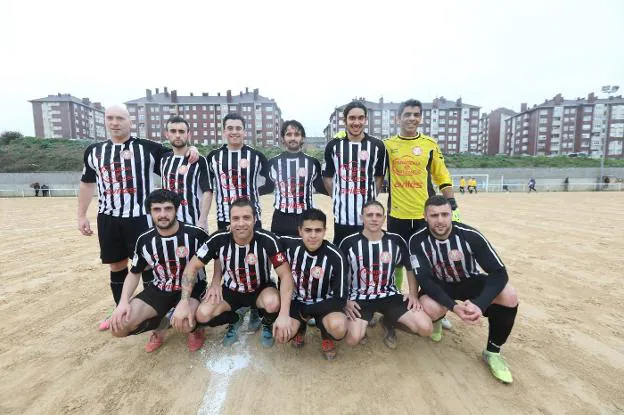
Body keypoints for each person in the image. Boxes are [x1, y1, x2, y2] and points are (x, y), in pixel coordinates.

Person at [77, 105, 199, 331]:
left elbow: (177, 152)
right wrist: (81, 215)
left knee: (148, 265)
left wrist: (193, 148)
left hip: (140, 218)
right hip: (108, 217)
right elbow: (87, 183)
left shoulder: (147, 148)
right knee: (116, 265)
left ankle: (155, 313)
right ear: (105, 121)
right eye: (110, 118)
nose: (115, 122)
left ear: (130, 122)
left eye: (120, 118)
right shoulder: (94, 151)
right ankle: (119, 310)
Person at [409, 196, 519, 383]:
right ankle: (438, 319)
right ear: (425, 217)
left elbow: (499, 272)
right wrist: (454, 307)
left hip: (469, 280)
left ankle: (492, 352)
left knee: (509, 295)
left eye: (445, 214)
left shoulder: (470, 235)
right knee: (428, 308)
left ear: (452, 214)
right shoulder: (416, 240)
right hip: (440, 283)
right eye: (434, 215)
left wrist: (479, 304)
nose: (440, 220)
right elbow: (425, 281)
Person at [383, 99, 458, 330]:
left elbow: (441, 175)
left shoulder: (429, 144)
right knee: (396, 263)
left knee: (430, 263)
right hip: (397, 214)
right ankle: (393, 303)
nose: (412, 118)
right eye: (407, 114)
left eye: (416, 114)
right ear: (398, 118)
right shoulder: (387, 145)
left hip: (425, 215)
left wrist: (452, 201)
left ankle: (435, 309)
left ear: (421, 118)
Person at [180, 199, 294, 348]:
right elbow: (191, 267)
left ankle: (265, 321)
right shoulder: (218, 239)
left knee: (273, 303)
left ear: (255, 219)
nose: (241, 223)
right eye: (236, 218)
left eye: (246, 217)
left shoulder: (268, 240)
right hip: (232, 290)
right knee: (202, 315)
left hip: (260, 289)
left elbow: (286, 275)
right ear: (230, 221)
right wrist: (184, 301)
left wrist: (284, 314)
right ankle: (235, 319)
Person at [109, 189, 207, 352]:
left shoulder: (196, 234)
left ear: (176, 209)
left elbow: (219, 257)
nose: (163, 214)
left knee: (184, 323)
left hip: (192, 289)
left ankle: (195, 328)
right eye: (157, 209)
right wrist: (123, 302)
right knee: (119, 327)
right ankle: (161, 324)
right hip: (161, 288)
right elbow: (134, 273)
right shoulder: (145, 240)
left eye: (168, 208)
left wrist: (216, 283)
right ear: (150, 212)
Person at [205, 112, 272, 331]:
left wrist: (252, 195)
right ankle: (233, 302)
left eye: (238, 128)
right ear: (223, 131)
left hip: (252, 218)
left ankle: (255, 306)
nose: (234, 132)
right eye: (230, 128)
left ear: (245, 131)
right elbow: (207, 185)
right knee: (227, 258)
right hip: (226, 217)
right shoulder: (213, 157)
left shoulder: (256, 155)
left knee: (257, 259)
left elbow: (270, 183)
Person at [340, 200, 433, 349]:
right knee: (353, 339)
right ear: (362, 217)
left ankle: (389, 322)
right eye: (369, 215)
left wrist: (413, 294)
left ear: (384, 218)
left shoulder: (395, 240)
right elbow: (339, 274)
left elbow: (410, 267)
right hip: (359, 298)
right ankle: (362, 325)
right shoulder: (348, 242)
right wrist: (345, 300)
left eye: (378, 215)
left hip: (388, 294)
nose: (374, 218)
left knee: (425, 328)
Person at [279, 208, 349, 360]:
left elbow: (340, 299)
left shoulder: (336, 256)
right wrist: (234, 230)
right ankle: (300, 329)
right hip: (297, 301)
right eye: (308, 230)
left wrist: (307, 311)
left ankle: (326, 334)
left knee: (339, 327)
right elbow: (264, 239)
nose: (312, 235)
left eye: (318, 230)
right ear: (300, 231)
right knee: (281, 334)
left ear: (324, 231)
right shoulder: (289, 245)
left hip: (324, 304)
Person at [323, 101, 387, 246]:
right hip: (342, 217)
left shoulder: (378, 146)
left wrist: (370, 197)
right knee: (343, 256)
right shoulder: (333, 146)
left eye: (360, 118)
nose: (356, 122)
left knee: (366, 257)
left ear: (365, 120)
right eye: (352, 118)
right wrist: (338, 196)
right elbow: (327, 177)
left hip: (369, 217)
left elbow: (379, 177)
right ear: (344, 120)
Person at [266, 120, 327, 237]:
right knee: (280, 253)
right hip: (280, 217)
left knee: (303, 253)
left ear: (302, 138)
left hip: (305, 217)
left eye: (297, 134)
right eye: (289, 134)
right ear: (283, 139)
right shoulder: (273, 163)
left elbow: (320, 187)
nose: (293, 138)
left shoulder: (313, 163)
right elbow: (267, 187)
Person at [160, 115, 212, 231]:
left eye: (181, 131)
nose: (177, 135)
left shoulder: (199, 160)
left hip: (194, 224)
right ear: (167, 134)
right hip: (169, 224)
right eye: (173, 131)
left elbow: (207, 192)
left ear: (188, 135)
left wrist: (202, 222)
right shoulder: (163, 159)